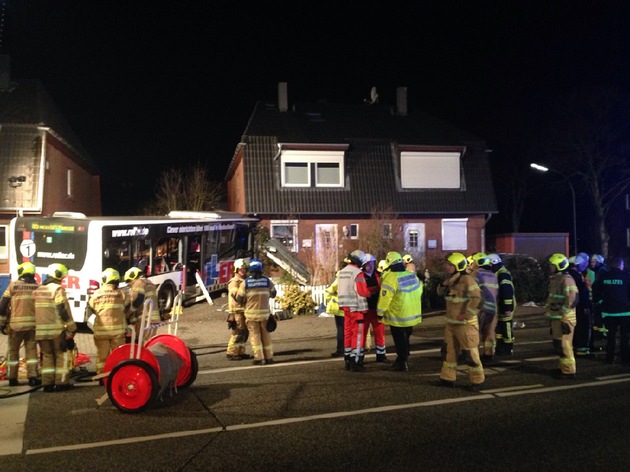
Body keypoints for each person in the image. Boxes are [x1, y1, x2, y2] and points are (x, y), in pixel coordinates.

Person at [437, 252, 484, 390]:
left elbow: (477, 299)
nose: (446, 267)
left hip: (465, 325)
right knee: (449, 352)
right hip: (451, 323)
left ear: (458, 266)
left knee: (470, 354)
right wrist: (443, 284)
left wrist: (466, 314)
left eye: (450, 265)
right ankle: (448, 378)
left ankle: (477, 381)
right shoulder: (451, 280)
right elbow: (439, 293)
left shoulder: (467, 280)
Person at [33, 263, 77, 392]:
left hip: (41, 332)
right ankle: (61, 383)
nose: (62, 281)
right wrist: (72, 327)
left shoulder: (38, 290)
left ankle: (47, 384)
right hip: (56, 331)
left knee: (47, 356)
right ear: (58, 275)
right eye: (62, 278)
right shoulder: (57, 290)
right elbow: (62, 310)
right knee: (61, 355)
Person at [377, 251, 422, 371]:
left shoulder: (390, 278)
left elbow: (385, 299)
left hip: (398, 316)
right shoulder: (411, 275)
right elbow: (420, 291)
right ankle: (404, 357)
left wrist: (380, 313)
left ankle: (402, 362)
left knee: (399, 339)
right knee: (406, 338)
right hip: (412, 315)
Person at [0, 262, 41, 387]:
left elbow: (2, 306)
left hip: (15, 326)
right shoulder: (37, 287)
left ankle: (12, 378)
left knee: (13, 352)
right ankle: (33, 377)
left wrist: (2, 323)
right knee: (31, 352)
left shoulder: (13, 286)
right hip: (32, 326)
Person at [87, 268, 130, 374]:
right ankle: (118, 375)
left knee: (102, 355)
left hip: (101, 332)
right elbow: (128, 307)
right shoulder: (122, 294)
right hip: (118, 332)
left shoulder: (96, 294)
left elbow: (91, 308)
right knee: (118, 355)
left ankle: (102, 377)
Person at [236, 258, 277, 365]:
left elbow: (239, 299)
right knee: (266, 336)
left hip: (251, 315)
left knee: (255, 336)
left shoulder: (246, 283)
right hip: (265, 315)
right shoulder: (267, 281)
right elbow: (273, 294)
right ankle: (269, 357)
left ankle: (259, 358)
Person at [545, 253, 579, 379]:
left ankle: (569, 371)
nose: (550, 267)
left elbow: (572, 299)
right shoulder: (556, 279)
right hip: (557, 316)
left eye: (552, 265)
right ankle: (562, 367)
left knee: (565, 345)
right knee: (558, 344)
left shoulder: (566, 279)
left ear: (560, 266)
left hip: (565, 318)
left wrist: (562, 313)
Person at [592, 257, 630, 365]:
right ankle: (625, 359)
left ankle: (609, 358)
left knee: (610, 336)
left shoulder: (604, 276)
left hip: (608, 312)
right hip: (625, 312)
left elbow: (595, 288)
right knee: (624, 337)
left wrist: (598, 301)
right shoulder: (626, 277)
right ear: (621, 265)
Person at [337, 249, 371, 371]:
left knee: (348, 332)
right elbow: (362, 291)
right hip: (357, 308)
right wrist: (369, 293)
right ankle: (355, 361)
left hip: (345, 307)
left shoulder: (342, 272)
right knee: (358, 335)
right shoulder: (357, 273)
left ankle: (347, 358)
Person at [470, 253, 499, 361]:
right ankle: (489, 353)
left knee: (475, 332)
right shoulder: (493, 275)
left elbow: (472, 290)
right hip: (492, 308)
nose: (472, 264)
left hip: (480, 308)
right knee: (489, 332)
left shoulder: (476, 274)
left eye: (473, 262)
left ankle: (474, 356)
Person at [487, 253, 516, 356]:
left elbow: (507, 292)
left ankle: (508, 348)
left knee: (506, 327)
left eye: (489, 265)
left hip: (505, 306)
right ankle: (501, 348)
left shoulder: (502, 274)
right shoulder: (499, 272)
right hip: (501, 306)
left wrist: (507, 308)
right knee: (499, 328)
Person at [362, 253, 388, 362]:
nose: (370, 266)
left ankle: (381, 355)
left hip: (376, 309)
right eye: (368, 264)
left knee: (380, 332)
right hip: (365, 309)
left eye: (372, 263)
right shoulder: (360, 276)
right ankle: (360, 356)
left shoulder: (379, 275)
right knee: (362, 333)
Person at [124, 266, 160, 341]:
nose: (130, 285)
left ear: (133, 277)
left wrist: (128, 313)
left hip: (145, 319)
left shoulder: (138, 282)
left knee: (141, 343)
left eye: (129, 282)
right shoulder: (149, 283)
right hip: (154, 318)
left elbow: (137, 299)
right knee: (149, 341)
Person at [226, 259, 251, 360]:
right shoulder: (234, 282)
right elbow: (237, 297)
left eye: (244, 269)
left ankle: (240, 351)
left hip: (244, 310)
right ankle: (231, 352)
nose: (243, 271)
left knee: (245, 332)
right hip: (236, 311)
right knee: (238, 332)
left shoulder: (245, 281)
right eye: (241, 269)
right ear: (236, 270)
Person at [568, 253, 592, 356]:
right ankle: (582, 349)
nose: (586, 265)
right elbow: (582, 293)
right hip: (581, 307)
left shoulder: (571, 274)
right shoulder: (576, 276)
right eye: (584, 263)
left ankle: (575, 347)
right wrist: (586, 306)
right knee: (582, 328)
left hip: (574, 306)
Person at [325, 257, 349, 358]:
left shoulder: (337, 277)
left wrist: (329, 301)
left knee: (341, 330)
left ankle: (341, 350)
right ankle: (348, 349)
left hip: (338, 308)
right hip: (349, 308)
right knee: (348, 330)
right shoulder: (351, 276)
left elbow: (328, 292)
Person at [587, 254, 608, 352]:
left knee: (601, 319)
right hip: (597, 299)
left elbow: (598, 285)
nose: (591, 263)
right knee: (598, 320)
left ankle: (604, 335)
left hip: (600, 300)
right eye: (591, 262)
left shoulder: (602, 271)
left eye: (593, 262)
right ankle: (600, 335)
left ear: (599, 262)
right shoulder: (598, 270)